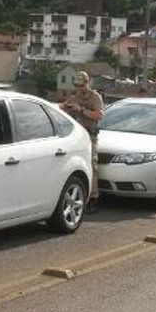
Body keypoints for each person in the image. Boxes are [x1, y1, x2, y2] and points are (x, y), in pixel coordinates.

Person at [61, 71, 104, 213]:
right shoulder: (75, 97)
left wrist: (82, 109)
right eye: (77, 85)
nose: (79, 88)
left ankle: (94, 198)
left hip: (90, 134)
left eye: (82, 84)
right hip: (78, 135)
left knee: (92, 164)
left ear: (87, 83)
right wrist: (66, 108)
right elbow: (63, 111)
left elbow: (99, 115)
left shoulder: (95, 97)